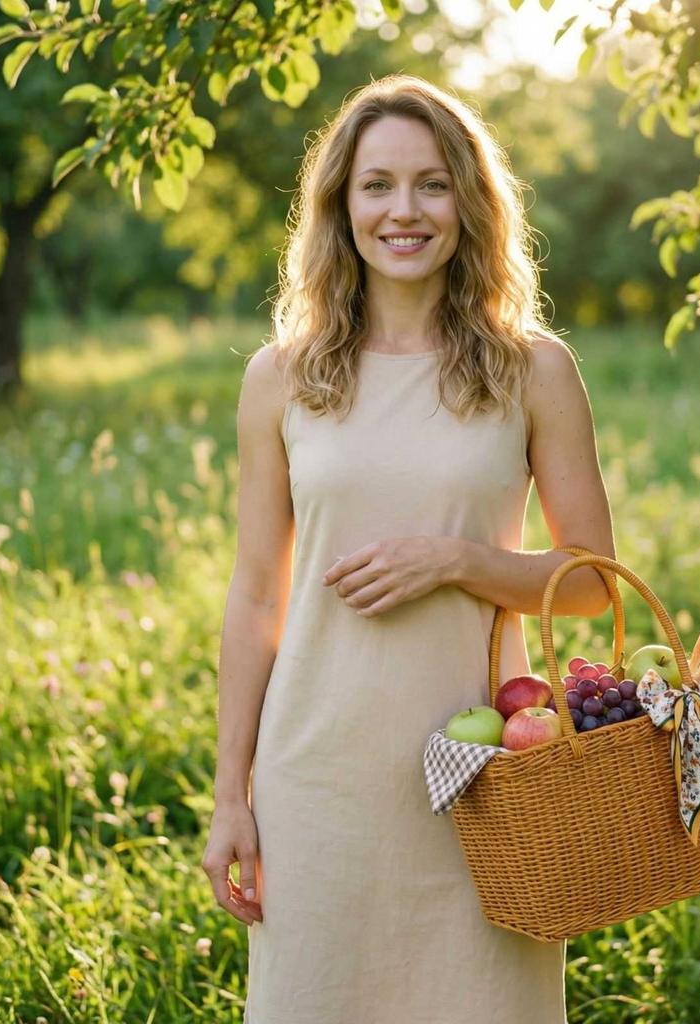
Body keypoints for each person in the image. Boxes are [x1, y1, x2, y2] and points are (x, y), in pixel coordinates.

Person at [201, 73, 616, 1024]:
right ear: (340, 205)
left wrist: (456, 561)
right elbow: (257, 599)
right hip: (316, 783)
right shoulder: (280, 379)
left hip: (487, 779)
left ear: (469, 203)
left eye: (432, 184)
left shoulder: (534, 369)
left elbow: (591, 583)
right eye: (377, 184)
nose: (404, 210)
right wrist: (234, 795)